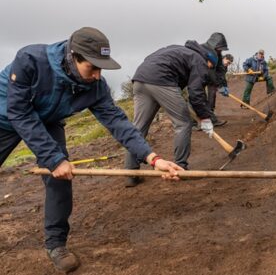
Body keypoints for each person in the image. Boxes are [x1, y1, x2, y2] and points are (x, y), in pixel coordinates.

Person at [0, 27, 183, 273]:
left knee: (61, 178)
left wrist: (153, 158)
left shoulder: (95, 86)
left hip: (49, 120)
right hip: (6, 116)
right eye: (92, 67)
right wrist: (54, 159)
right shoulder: (31, 60)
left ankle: (56, 244)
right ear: (72, 58)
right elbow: (19, 113)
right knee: (57, 162)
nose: (97, 75)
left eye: (101, 69)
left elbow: (119, 123)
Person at [124, 39, 218, 187]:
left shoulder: (180, 50)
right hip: (161, 80)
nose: (208, 70)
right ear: (209, 60)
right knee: (183, 124)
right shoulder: (199, 61)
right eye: (211, 66)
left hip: (140, 79)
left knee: (138, 129)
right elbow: (196, 92)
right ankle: (180, 168)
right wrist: (205, 117)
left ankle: (131, 174)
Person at [202, 32, 230, 126]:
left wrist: (223, 85)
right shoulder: (201, 51)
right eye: (219, 49)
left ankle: (211, 119)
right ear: (213, 45)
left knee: (212, 95)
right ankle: (193, 122)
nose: (220, 51)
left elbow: (220, 71)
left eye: (221, 49)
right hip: (197, 77)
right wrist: (218, 84)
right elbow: (210, 72)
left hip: (210, 79)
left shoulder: (218, 55)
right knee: (198, 97)